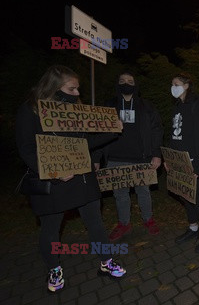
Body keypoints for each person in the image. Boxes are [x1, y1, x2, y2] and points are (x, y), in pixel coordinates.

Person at [15, 65, 126, 293]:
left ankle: (106, 262)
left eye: (78, 89)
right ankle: (54, 269)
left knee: (95, 222)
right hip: (54, 181)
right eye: (71, 89)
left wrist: (111, 132)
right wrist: (53, 171)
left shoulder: (75, 111)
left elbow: (82, 144)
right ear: (54, 88)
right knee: (51, 229)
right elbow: (26, 149)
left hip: (82, 179)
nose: (77, 94)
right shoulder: (30, 111)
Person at [93, 72, 163, 241]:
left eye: (130, 81)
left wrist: (156, 154)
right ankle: (124, 223)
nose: (126, 83)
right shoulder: (109, 106)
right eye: (122, 81)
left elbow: (157, 130)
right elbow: (99, 131)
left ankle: (148, 220)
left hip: (141, 158)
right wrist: (96, 158)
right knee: (120, 194)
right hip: (115, 158)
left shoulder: (146, 107)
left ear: (135, 85)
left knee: (143, 192)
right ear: (117, 84)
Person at [166, 73, 199, 253]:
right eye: (172, 84)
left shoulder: (197, 105)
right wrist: (170, 159)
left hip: (194, 162)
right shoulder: (177, 107)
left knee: (197, 199)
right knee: (184, 194)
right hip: (179, 161)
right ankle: (193, 228)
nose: (173, 87)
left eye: (176, 83)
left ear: (186, 86)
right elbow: (174, 135)